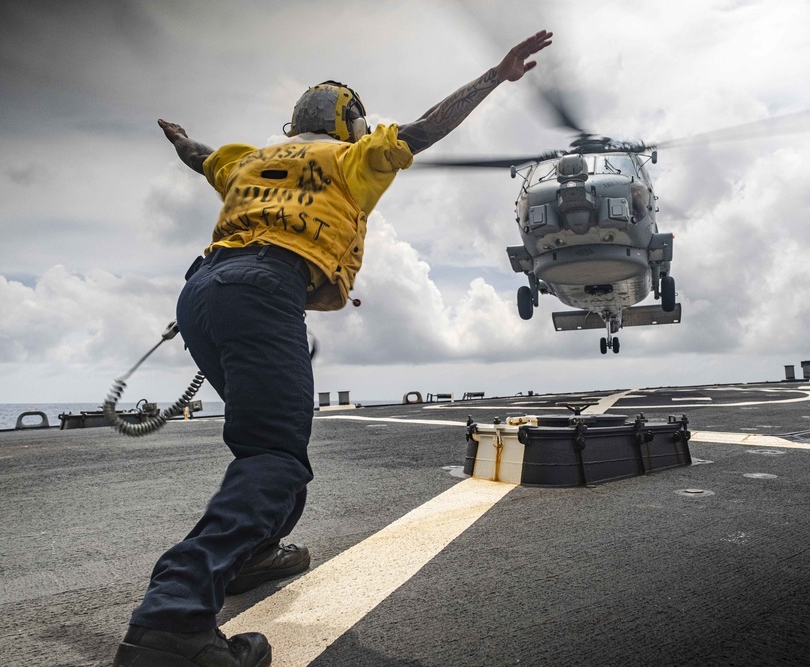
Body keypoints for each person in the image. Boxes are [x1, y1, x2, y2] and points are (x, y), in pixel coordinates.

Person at [114, 30, 552, 667]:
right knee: (275, 456)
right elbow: (429, 126)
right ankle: (171, 621)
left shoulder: (250, 159)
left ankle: (254, 552)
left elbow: (200, 156)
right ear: (352, 124)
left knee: (268, 441)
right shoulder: (355, 157)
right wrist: (496, 74)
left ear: (293, 123)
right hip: (265, 288)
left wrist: (179, 138)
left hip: (202, 294)